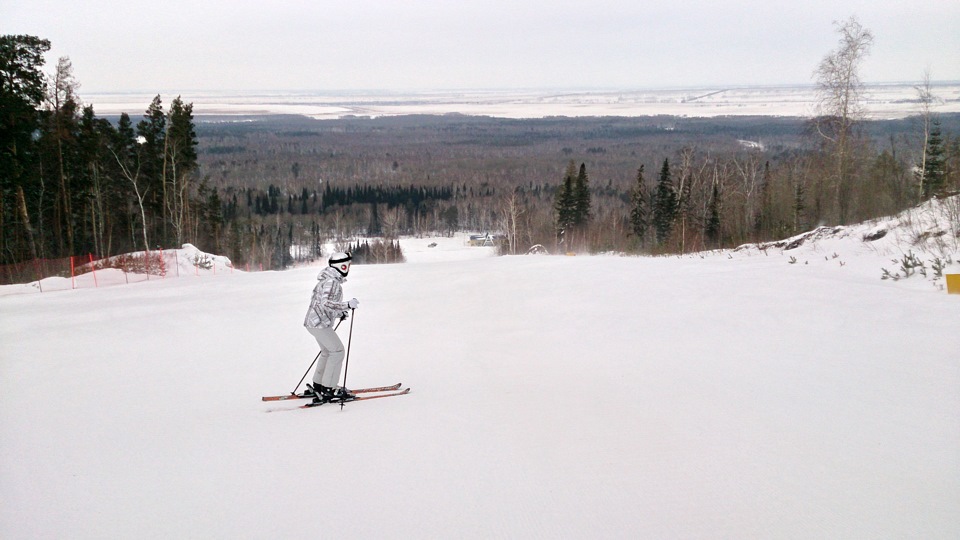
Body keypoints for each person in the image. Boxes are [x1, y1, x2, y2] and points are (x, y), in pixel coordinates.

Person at [303, 252, 359, 403]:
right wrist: (346, 305)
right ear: (342, 266)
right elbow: (324, 303)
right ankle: (330, 387)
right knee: (337, 351)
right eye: (348, 265)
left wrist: (340, 311)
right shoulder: (332, 282)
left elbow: (325, 304)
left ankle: (319, 384)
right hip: (319, 324)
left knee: (328, 351)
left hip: (315, 323)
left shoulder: (329, 280)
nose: (349, 267)